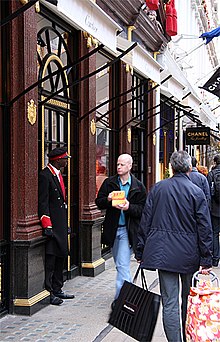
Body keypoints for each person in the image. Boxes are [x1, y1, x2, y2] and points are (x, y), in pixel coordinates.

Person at [135, 150, 213, 342]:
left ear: (171, 167)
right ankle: (188, 337)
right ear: (188, 167)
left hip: (164, 254)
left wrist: (140, 249)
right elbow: (205, 227)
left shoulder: (158, 189)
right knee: (188, 300)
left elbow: (145, 220)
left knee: (169, 302)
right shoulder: (196, 192)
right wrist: (206, 258)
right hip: (189, 254)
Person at [95, 153, 146, 306]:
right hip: (112, 229)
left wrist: (129, 207)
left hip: (127, 231)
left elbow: (143, 210)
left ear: (130, 166)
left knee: (123, 265)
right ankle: (126, 293)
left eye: (122, 164)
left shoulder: (138, 186)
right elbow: (99, 202)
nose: (118, 167)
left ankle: (122, 300)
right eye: (117, 164)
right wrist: (109, 200)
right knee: (119, 264)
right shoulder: (110, 183)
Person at [38, 147, 75, 305]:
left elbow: (62, 203)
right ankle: (49, 292)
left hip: (60, 224)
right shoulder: (45, 175)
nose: (66, 161)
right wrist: (47, 225)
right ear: (57, 160)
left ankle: (58, 288)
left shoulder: (58, 174)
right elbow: (43, 202)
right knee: (51, 260)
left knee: (61, 256)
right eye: (64, 159)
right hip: (52, 225)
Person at [207, 154, 220, 267]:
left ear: (215, 162)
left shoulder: (211, 174)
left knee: (215, 233)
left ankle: (215, 259)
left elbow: (209, 193)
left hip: (215, 209)